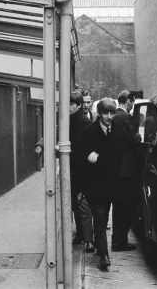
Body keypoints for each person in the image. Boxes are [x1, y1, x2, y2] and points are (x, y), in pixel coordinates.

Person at [35, 92, 95, 252]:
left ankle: (88, 239)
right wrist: (41, 145)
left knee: (81, 204)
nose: (68, 107)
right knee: (76, 203)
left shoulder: (84, 123)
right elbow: (52, 133)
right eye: (66, 104)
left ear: (79, 105)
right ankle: (83, 235)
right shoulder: (66, 121)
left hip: (81, 170)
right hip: (72, 169)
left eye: (71, 104)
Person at [79, 97, 117, 270]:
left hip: (110, 186)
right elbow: (79, 157)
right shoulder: (88, 132)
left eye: (112, 113)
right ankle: (104, 256)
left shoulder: (117, 130)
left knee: (103, 218)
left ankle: (100, 247)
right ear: (100, 114)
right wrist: (89, 157)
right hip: (94, 186)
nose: (109, 116)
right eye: (106, 113)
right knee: (100, 220)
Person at [110, 90, 140, 251]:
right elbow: (133, 141)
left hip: (116, 170)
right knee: (128, 208)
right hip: (127, 171)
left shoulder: (113, 117)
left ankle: (117, 241)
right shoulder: (126, 118)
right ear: (127, 101)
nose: (132, 106)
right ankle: (120, 242)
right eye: (132, 102)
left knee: (118, 208)